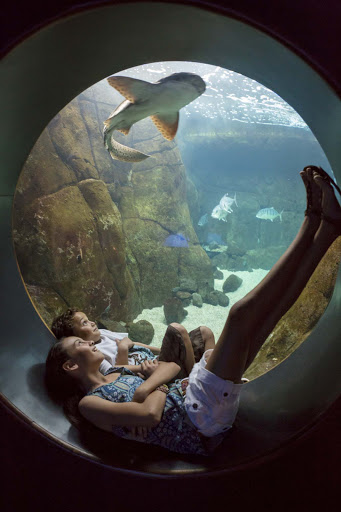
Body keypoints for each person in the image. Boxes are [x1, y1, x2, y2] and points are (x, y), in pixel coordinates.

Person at [45, 166, 341, 456]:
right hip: (198, 418)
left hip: (192, 393)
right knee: (239, 315)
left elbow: (170, 369)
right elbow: (150, 416)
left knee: (270, 315)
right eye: (78, 344)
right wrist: (147, 391)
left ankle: (325, 229)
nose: (87, 341)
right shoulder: (89, 403)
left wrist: (148, 390)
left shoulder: (119, 371)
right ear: (70, 366)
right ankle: (311, 222)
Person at [51, 309, 214, 376]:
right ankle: (197, 380)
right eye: (84, 323)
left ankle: (210, 373)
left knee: (205, 332)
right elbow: (116, 374)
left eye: (89, 319)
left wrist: (161, 349)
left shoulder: (104, 333)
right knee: (176, 330)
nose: (92, 323)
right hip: (152, 371)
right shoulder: (92, 355)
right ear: (73, 336)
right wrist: (122, 349)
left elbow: (133, 343)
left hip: (158, 359)